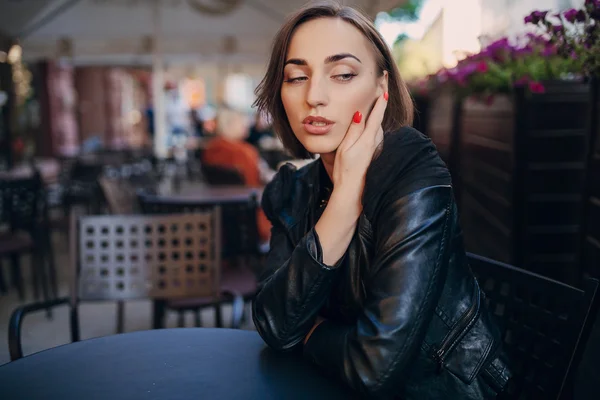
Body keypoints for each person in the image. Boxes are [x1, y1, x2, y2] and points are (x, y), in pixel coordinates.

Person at [251, 2, 512, 399]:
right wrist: (344, 200)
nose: (314, 96)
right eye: (297, 76)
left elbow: (372, 367)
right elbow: (272, 322)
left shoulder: (413, 169)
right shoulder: (291, 189)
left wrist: (309, 330)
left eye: (342, 74)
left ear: (381, 87)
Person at [201, 106, 275, 242]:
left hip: (221, 218)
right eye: (242, 122)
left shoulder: (209, 150)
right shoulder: (244, 152)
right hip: (253, 217)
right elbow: (255, 183)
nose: (246, 126)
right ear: (230, 125)